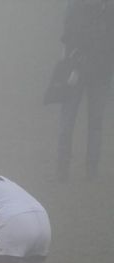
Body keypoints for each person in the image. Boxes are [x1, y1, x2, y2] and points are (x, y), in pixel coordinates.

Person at [56, 0, 114, 181]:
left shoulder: (77, 6)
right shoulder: (105, 8)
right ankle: (87, 171)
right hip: (93, 72)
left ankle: (66, 170)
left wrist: (66, 66)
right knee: (90, 123)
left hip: (84, 72)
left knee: (70, 121)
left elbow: (67, 38)